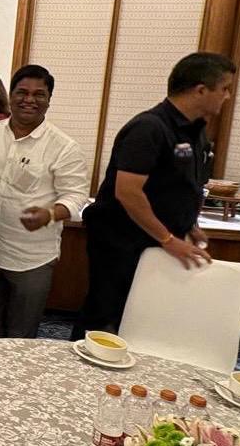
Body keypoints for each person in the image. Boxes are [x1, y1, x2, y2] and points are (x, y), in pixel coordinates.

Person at [75, 52, 230, 336]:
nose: (227, 96)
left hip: (154, 239)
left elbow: (179, 185)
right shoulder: (149, 127)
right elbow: (128, 192)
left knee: (140, 317)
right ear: (200, 90)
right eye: (224, 88)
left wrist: (189, 224)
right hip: (121, 241)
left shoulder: (196, 131)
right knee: (105, 316)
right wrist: (169, 239)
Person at [0, 64, 87, 339]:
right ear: (10, 95)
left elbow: (76, 196)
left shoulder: (64, 147)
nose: (29, 99)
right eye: (22, 92)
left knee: (21, 335)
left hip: (31, 258)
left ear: (49, 100)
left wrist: (50, 214)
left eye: (39, 94)